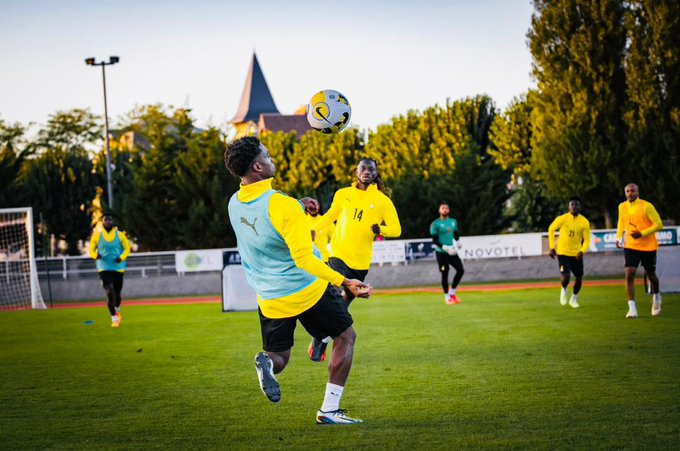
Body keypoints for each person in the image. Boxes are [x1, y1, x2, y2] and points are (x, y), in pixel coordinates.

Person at [225, 136, 371, 425]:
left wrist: (296, 206)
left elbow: (268, 229)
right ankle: (329, 410)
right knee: (346, 337)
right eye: (267, 155)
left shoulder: (235, 203)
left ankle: (265, 364)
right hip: (306, 289)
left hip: (269, 296)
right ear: (257, 166)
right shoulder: (282, 205)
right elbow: (304, 259)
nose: (272, 159)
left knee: (278, 357)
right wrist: (345, 281)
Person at [307, 157, 402, 362]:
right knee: (332, 297)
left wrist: (382, 230)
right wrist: (312, 229)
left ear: (376, 174)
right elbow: (330, 216)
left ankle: (321, 338)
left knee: (341, 306)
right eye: (363, 168)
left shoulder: (383, 201)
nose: (367, 172)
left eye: (371, 169)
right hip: (338, 256)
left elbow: (397, 229)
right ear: (356, 172)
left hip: (360, 263)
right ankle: (320, 339)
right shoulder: (343, 194)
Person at [615, 183, 663, 318]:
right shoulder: (622, 206)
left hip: (648, 246)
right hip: (630, 245)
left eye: (632, 191)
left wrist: (641, 233)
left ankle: (657, 296)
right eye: (627, 191)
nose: (630, 193)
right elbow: (621, 222)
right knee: (629, 274)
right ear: (625, 193)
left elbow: (659, 224)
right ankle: (632, 308)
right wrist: (619, 237)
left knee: (651, 274)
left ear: (638, 192)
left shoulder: (647, 206)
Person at [88, 210, 130, 328]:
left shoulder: (120, 235)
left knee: (117, 294)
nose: (108, 221)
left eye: (110, 219)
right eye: (105, 219)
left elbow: (127, 249)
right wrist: (96, 256)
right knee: (109, 292)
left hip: (118, 268)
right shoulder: (96, 236)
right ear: (102, 221)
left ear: (113, 221)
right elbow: (91, 250)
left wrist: (121, 258)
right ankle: (114, 318)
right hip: (104, 267)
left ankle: (117, 310)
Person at [547, 197, 591, 308]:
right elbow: (551, 229)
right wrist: (552, 247)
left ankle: (573, 299)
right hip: (563, 252)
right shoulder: (562, 218)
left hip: (576, 254)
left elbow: (586, 239)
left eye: (577, 204)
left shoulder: (584, 222)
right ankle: (564, 289)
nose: (574, 207)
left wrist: (582, 251)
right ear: (569, 207)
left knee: (579, 278)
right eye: (572, 204)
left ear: (580, 207)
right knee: (566, 277)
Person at [430, 203, 465, 305]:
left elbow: (455, 233)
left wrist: (458, 242)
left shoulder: (453, 222)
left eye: (446, 208)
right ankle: (447, 297)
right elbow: (434, 240)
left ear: (448, 210)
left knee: (460, 270)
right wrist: (445, 247)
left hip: (452, 252)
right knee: (445, 273)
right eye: (443, 208)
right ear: (439, 210)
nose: (445, 210)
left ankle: (452, 293)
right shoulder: (435, 224)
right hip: (441, 253)